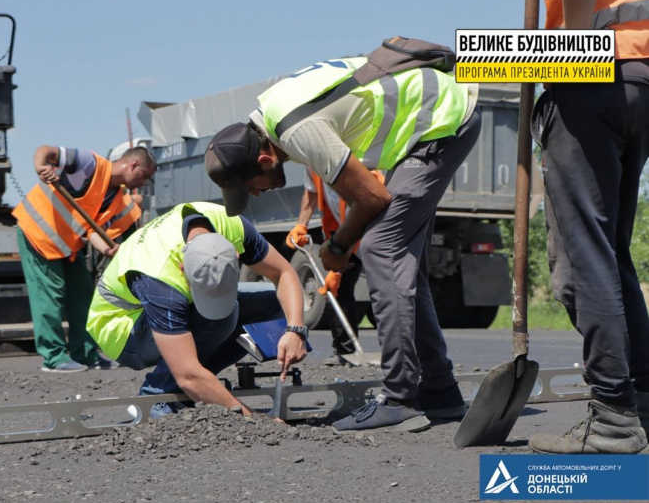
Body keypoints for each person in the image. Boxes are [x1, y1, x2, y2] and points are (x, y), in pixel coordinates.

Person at [206, 48, 481, 432]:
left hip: (441, 121)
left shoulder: (295, 130)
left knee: (381, 249)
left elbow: (372, 196)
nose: (255, 195)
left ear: (265, 162)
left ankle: (400, 398)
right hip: (435, 118)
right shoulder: (273, 109)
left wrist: (336, 248)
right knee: (399, 261)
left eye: (250, 188)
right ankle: (441, 391)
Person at [528, 0, 649, 454]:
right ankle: (642, 403)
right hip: (640, 77)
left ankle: (615, 423)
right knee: (612, 253)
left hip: (592, 73)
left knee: (587, 256)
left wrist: (563, 59)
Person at [86, 201, 308, 418]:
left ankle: (200, 385)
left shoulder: (229, 223)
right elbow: (188, 375)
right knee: (222, 318)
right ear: (183, 267)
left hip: (166, 298)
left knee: (271, 303)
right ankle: (159, 393)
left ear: (236, 257)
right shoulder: (160, 280)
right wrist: (253, 419)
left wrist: (295, 329)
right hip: (122, 330)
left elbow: (284, 273)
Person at [12, 145, 156, 373]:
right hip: (37, 231)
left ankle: (86, 354)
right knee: (50, 294)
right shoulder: (89, 164)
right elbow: (45, 150)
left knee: (84, 294)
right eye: (145, 176)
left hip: (67, 244)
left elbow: (91, 230)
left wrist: (110, 250)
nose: (144, 183)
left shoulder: (115, 198)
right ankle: (54, 357)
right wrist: (42, 167)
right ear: (133, 165)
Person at [286, 169, 380, 364]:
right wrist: (301, 225)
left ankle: (403, 352)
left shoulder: (350, 160)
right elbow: (311, 191)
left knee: (386, 290)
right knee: (338, 291)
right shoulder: (312, 164)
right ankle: (346, 352)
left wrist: (340, 257)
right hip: (342, 232)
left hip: (374, 231)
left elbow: (364, 210)